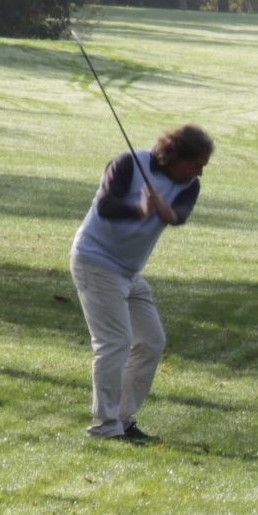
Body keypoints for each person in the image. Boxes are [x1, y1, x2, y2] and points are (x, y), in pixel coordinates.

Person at [68, 122, 213, 443]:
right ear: (175, 156)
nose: (200, 173)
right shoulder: (127, 164)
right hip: (95, 262)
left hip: (129, 273)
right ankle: (104, 427)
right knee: (114, 344)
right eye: (196, 164)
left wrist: (165, 211)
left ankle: (121, 419)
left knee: (150, 342)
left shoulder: (188, 185)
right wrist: (141, 209)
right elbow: (106, 207)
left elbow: (179, 215)